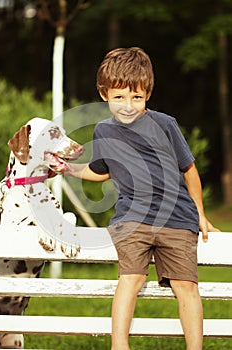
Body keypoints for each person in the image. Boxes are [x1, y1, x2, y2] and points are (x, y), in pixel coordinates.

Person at [60, 47, 219, 350]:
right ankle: (120, 346)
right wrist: (67, 168)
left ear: (148, 93)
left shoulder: (164, 125)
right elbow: (100, 171)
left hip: (177, 218)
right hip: (131, 220)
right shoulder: (104, 131)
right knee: (130, 279)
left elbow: (189, 170)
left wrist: (199, 211)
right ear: (104, 93)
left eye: (137, 98)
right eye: (119, 97)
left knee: (186, 285)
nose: (128, 106)